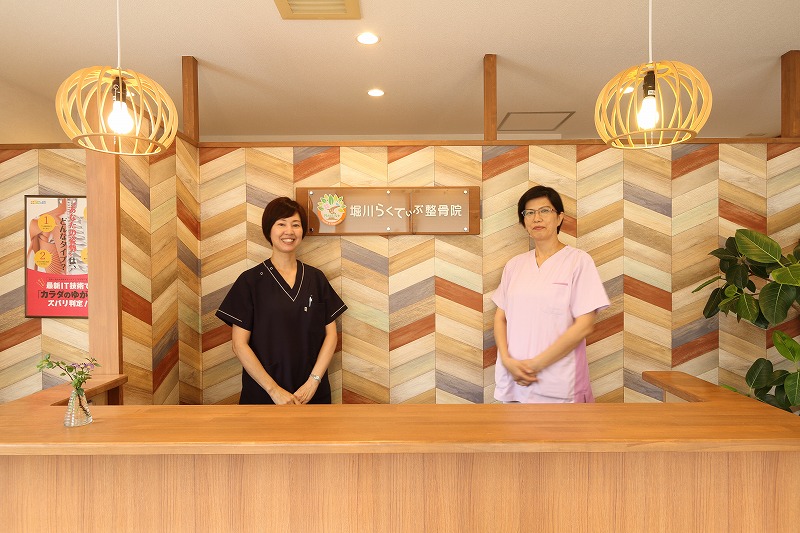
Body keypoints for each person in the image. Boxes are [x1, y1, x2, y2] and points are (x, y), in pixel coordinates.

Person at [215, 197, 347, 405]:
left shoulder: (316, 278)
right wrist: (274, 390)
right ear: (269, 230)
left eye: (296, 225)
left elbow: (331, 335)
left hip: (311, 394)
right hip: (263, 395)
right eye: (281, 224)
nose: (289, 231)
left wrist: (313, 382)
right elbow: (239, 345)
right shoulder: (250, 281)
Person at [492, 185, 610, 403]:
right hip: (515, 380)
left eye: (545, 211)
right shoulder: (514, 265)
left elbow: (585, 325)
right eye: (529, 213)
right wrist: (507, 361)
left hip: (560, 384)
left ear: (559, 218)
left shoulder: (578, 261)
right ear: (524, 221)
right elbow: (501, 317)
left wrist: (535, 365)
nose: (536, 218)